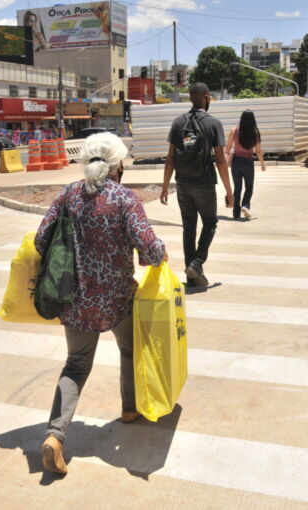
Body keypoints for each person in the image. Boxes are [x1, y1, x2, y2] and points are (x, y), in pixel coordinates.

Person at [35, 132, 167, 474]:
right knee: (130, 349)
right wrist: (160, 250)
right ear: (117, 165)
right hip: (117, 298)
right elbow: (150, 250)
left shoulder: (68, 194)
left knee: (76, 366)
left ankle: (55, 437)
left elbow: (40, 239)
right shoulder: (125, 198)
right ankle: (129, 407)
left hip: (73, 300)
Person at [160, 82, 234, 289]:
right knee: (210, 223)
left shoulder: (178, 123)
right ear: (207, 97)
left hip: (182, 183)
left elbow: (170, 158)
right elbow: (220, 160)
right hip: (204, 183)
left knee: (189, 228)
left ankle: (192, 277)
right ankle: (196, 262)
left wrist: (165, 186)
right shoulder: (213, 123)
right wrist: (229, 191)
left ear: (191, 98)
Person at [225, 110, 266, 220]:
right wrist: (262, 163)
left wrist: (225, 161)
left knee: (237, 188)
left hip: (236, 161)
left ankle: (236, 213)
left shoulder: (234, 131)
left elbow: (228, 148)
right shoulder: (255, 133)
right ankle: (245, 205)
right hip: (248, 162)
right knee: (249, 187)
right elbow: (258, 151)